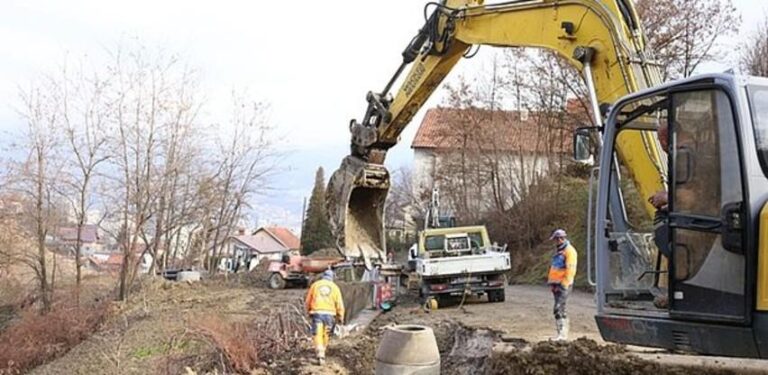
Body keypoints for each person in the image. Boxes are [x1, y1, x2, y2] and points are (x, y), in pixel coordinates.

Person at [305, 269, 345, 365]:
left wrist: (308, 311)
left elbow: (308, 300)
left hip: (317, 312)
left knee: (317, 333)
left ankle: (320, 353)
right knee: (326, 333)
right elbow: (339, 303)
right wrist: (341, 316)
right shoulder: (335, 287)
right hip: (330, 314)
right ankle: (323, 351)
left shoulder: (315, 285)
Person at [547, 228, 577, 341]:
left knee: (559, 308)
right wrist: (553, 284)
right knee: (558, 309)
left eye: (556, 239)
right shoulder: (559, 251)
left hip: (564, 284)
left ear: (561, 239)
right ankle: (560, 334)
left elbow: (571, 270)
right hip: (556, 284)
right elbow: (555, 268)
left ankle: (563, 335)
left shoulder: (569, 251)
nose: (555, 242)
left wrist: (564, 284)